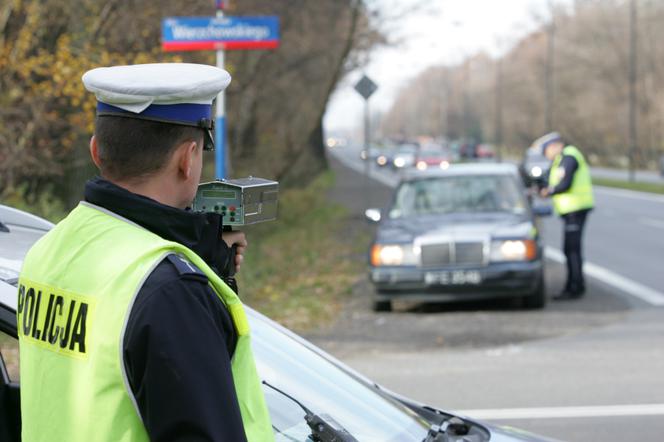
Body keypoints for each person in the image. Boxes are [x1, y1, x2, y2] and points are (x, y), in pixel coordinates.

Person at [17, 63, 273, 441]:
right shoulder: (171, 292)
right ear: (187, 159)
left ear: (96, 151)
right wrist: (189, 282)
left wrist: (199, 268)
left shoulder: (48, 249)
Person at [537, 132, 594, 300]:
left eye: (546, 151)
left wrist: (549, 191)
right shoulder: (561, 159)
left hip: (575, 210)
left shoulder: (569, 157)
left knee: (572, 250)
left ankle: (575, 287)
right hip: (571, 211)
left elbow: (564, 183)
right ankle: (575, 284)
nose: (546, 155)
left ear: (555, 145)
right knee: (570, 250)